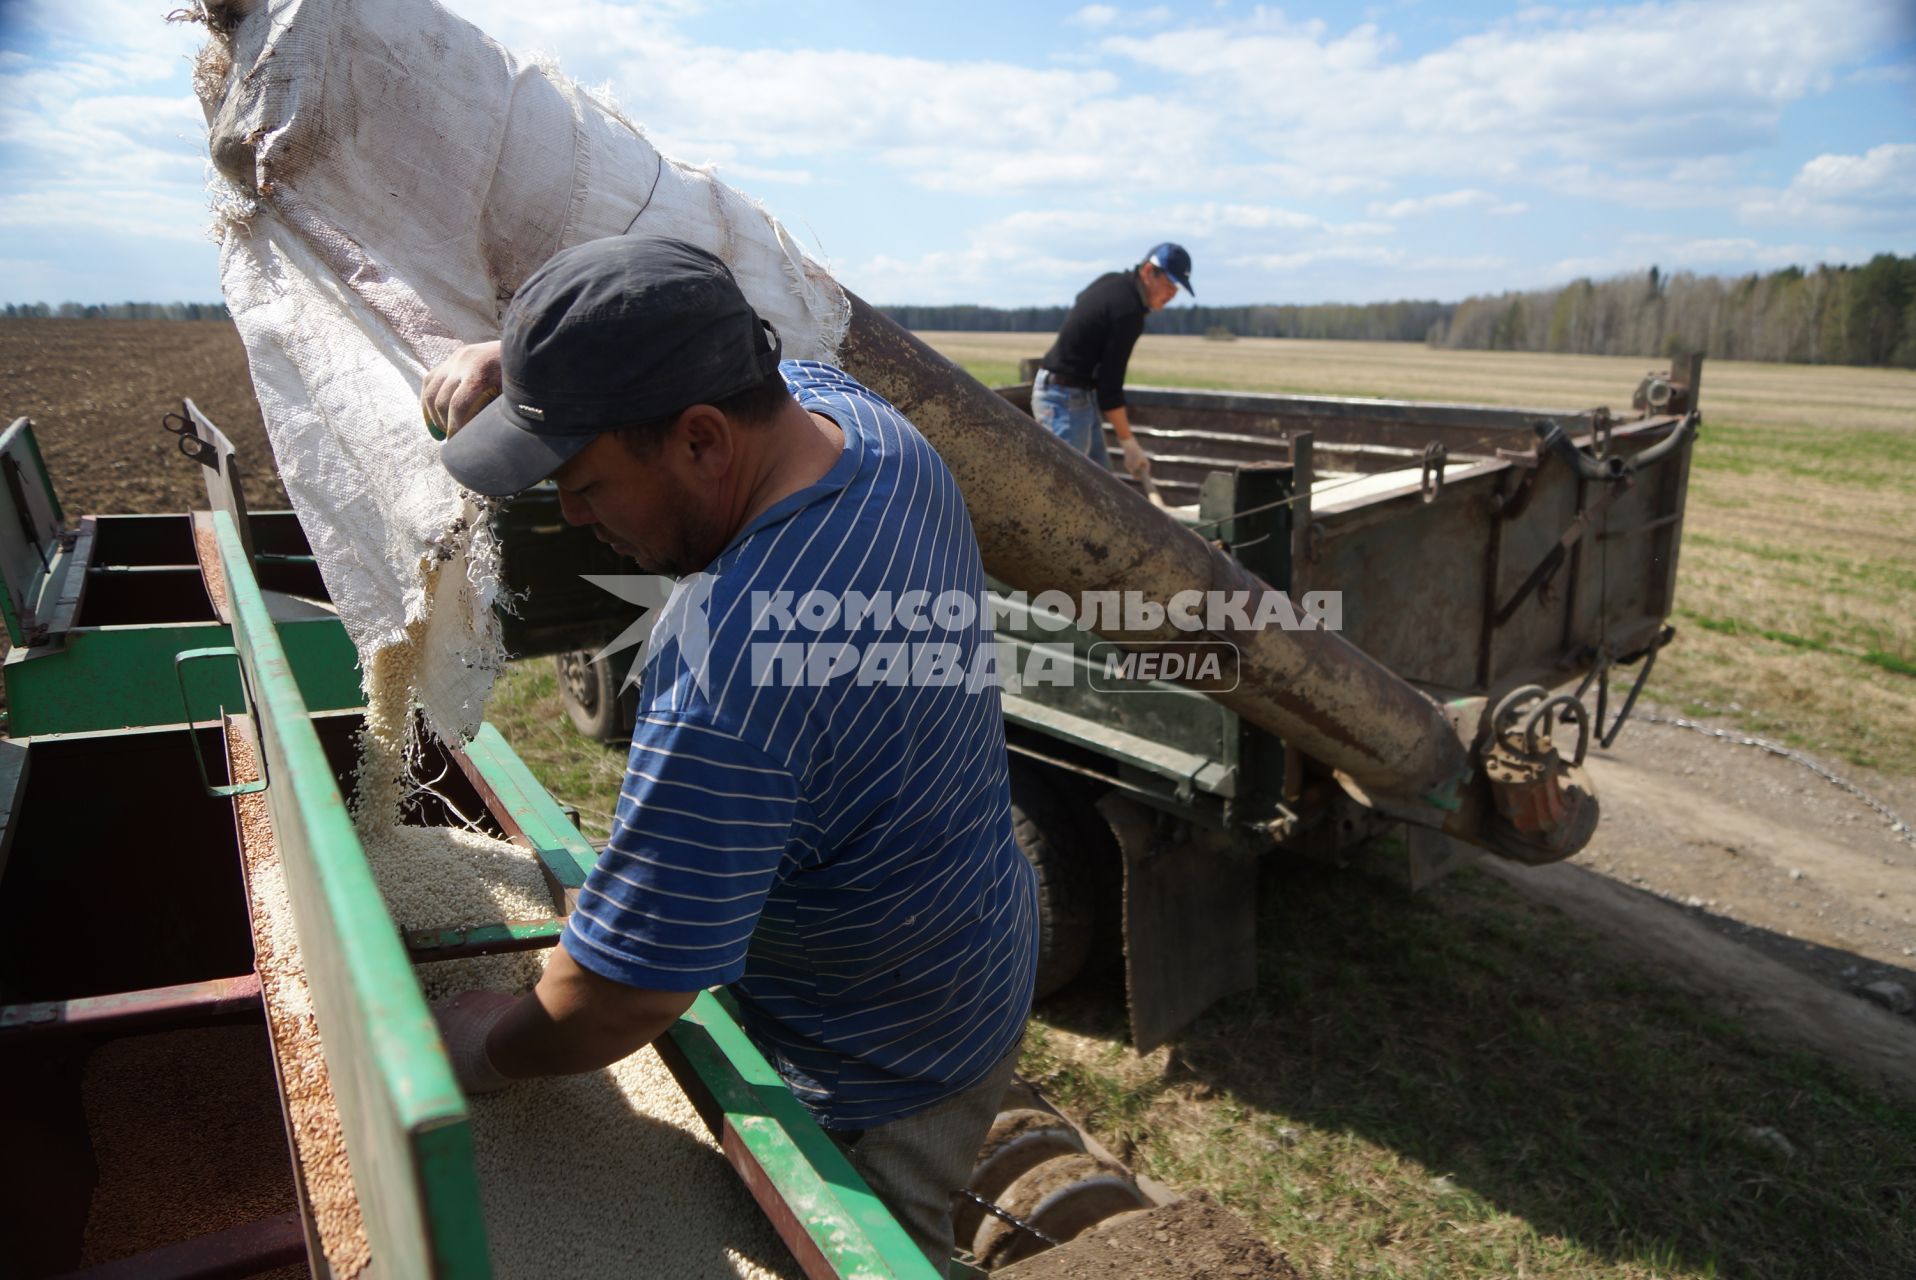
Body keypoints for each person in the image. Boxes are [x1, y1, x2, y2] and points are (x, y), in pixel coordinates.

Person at [423, 234, 1038, 1275]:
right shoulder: (861, 428)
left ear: (702, 440)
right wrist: (537, 375)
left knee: (874, 1254)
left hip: (877, 1061)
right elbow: (777, 355)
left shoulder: (727, 673)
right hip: (972, 929)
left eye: (580, 478)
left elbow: (626, 991)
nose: (569, 514)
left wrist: (489, 1039)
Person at [1033, 242, 1194, 479]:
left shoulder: (1112, 282)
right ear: (1149, 272)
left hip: (1075, 394)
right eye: (1169, 284)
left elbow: (1081, 299)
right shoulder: (1128, 312)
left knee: (1101, 486)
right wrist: (1129, 444)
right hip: (1064, 400)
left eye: (1176, 288)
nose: (1171, 294)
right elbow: (1110, 389)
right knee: (1071, 489)